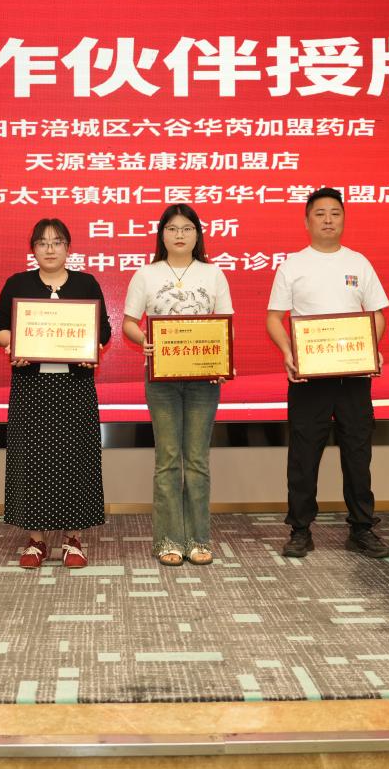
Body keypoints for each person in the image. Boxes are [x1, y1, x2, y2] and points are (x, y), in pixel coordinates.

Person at [265, 187, 389, 560]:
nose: (328, 220)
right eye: (320, 213)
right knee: (304, 455)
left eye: (335, 213)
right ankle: (300, 529)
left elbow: (377, 313)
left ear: (344, 219)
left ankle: (362, 528)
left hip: (353, 376)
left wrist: (371, 347)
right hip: (309, 378)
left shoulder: (358, 263)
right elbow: (274, 318)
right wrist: (289, 353)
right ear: (307, 221)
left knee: (358, 453)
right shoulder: (293, 265)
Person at [0, 218, 111, 569]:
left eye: (57, 242)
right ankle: (36, 541)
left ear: (68, 248)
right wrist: (13, 344)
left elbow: (102, 330)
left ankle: (73, 540)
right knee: (32, 460)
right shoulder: (18, 283)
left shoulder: (86, 283)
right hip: (32, 386)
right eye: (42, 243)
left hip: (75, 386)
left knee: (76, 459)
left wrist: (93, 349)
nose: (50, 249)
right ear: (33, 249)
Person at [122, 204, 232, 566]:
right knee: (168, 459)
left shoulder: (213, 273)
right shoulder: (146, 274)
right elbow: (128, 322)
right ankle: (168, 539)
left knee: (197, 460)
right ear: (162, 235)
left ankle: (199, 539)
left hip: (204, 379)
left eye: (187, 228)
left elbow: (225, 325)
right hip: (162, 380)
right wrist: (144, 340)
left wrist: (221, 360)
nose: (180, 235)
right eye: (172, 228)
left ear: (197, 234)